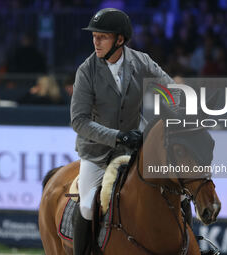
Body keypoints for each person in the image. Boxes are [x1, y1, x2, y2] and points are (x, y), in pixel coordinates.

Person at [70, 8, 179, 255]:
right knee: (87, 205)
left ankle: (190, 243)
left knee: (177, 189)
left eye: (102, 36)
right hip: (96, 151)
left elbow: (170, 89)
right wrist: (117, 136)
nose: (95, 42)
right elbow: (79, 121)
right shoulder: (86, 71)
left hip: (134, 145)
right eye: (94, 36)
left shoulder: (141, 62)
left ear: (120, 39)